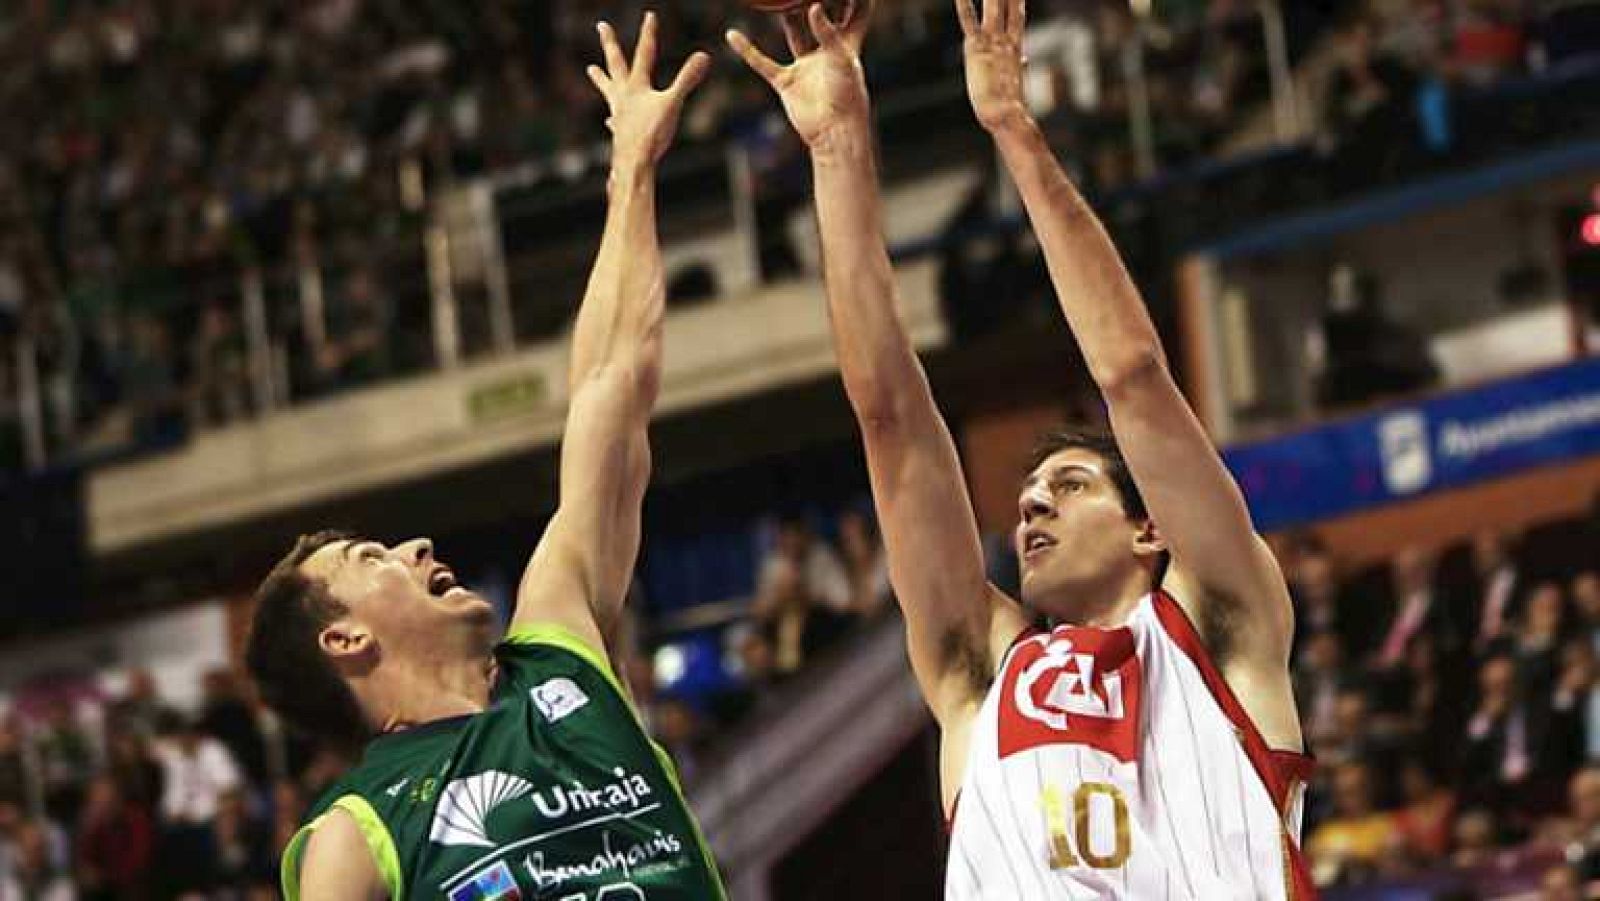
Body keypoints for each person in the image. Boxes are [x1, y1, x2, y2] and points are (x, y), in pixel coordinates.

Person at [726, 0, 1312, 896]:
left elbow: (1132, 374)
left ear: (1150, 528)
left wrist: (1014, 130)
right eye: (1033, 488)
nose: (1032, 501)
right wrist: (838, 148)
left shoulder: (1221, 626)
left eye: (1070, 484)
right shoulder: (981, 671)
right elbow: (890, 421)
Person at [245, 15, 725, 899]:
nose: (417, 547)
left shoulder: (559, 646)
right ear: (344, 638)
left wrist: (631, 169)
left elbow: (612, 387)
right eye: (373, 559)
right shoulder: (353, 836)